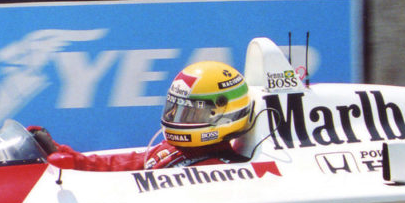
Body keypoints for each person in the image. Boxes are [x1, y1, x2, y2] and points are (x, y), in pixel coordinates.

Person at [31, 61, 255, 171]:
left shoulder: (219, 169)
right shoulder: (173, 150)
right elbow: (121, 165)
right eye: (177, 109)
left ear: (224, 115)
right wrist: (66, 156)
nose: (179, 118)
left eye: (192, 111)